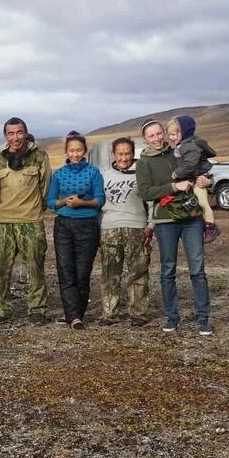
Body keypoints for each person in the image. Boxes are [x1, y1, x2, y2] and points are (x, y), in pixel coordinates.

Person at [135, 120, 214, 335]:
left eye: (159, 133)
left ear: (165, 133)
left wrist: (209, 181)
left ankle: (203, 317)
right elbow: (145, 191)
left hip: (191, 218)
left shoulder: (180, 151)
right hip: (165, 221)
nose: (157, 138)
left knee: (197, 269)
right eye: (151, 136)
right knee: (168, 269)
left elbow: (201, 170)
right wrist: (173, 186)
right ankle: (172, 316)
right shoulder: (143, 163)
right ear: (145, 140)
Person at [0, 117, 52, 323]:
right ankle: (2, 309)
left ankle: (37, 308)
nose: (15, 137)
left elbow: (46, 186)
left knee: (35, 267)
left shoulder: (40, 156)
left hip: (31, 221)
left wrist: (36, 208)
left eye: (19, 132)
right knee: (1, 268)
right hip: (3, 222)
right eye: (11, 133)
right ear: (5, 136)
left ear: (25, 133)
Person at [46, 132, 104, 328]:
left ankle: (78, 312)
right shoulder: (59, 174)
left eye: (79, 149)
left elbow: (99, 200)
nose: (76, 153)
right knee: (66, 271)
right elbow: (51, 202)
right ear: (66, 152)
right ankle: (73, 317)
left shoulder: (94, 172)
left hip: (87, 226)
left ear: (85, 151)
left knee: (82, 272)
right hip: (64, 226)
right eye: (72, 150)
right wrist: (65, 201)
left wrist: (82, 203)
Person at [98, 136, 153, 326]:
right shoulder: (104, 175)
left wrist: (151, 224)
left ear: (133, 153)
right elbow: (97, 202)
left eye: (127, 153)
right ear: (114, 154)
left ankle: (137, 312)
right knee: (109, 273)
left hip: (137, 226)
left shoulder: (142, 172)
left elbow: (152, 200)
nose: (124, 158)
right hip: (109, 228)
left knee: (137, 272)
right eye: (120, 154)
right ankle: (109, 312)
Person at [166, 116, 220, 243]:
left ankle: (211, 227)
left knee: (202, 203)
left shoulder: (190, 146)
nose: (171, 138)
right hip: (193, 177)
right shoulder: (183, 145)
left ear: (183, 132)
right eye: (170, 135)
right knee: (193, 204)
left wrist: (176, 174)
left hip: (199, 177)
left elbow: (189, 165)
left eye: (174, 134)